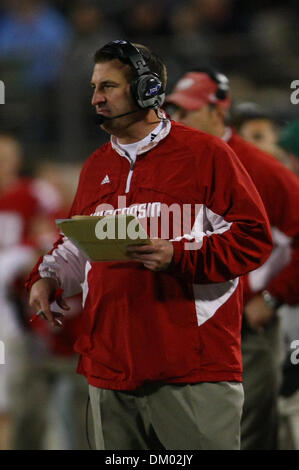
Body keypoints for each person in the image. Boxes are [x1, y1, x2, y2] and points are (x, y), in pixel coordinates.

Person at [26, 40, 273, 451]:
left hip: (192, 369)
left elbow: (252, 238)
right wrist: (47, 277)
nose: (95, 99)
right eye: (94, 87)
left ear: (147, 89)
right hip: (110, 367)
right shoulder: (96, 165)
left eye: (108, 87)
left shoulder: (206, 154)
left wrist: (178, 255)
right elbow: (78, 244)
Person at [166, 68, 299, 450]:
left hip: (245, 329)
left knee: (249, 434)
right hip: (186, 326)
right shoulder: (173, 163)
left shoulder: (262, 168)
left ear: (217, 111)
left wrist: (272, 296)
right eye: (173, 111)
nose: (177, 121)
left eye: (187, 112)